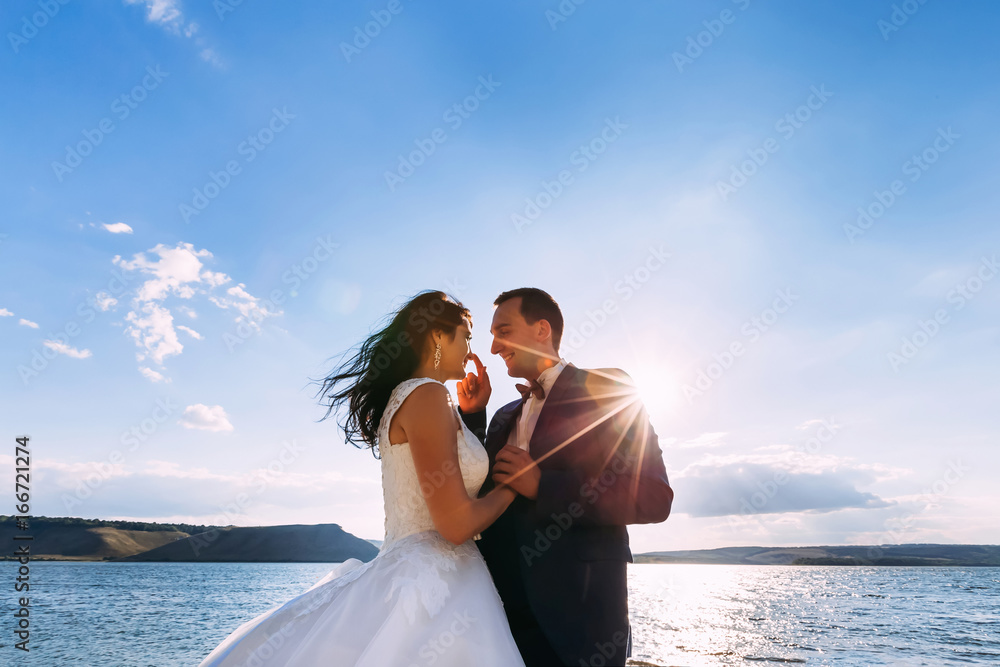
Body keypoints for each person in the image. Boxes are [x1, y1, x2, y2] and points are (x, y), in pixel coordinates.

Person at [198, 291, 525, 666]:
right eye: (466, 335)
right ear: (437, 335)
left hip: (426, 572)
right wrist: (512, 486)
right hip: (437, 584)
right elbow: (454, 525)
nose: (471, 349)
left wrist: (472, 414)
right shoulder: (428, 396)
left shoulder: (422, 398)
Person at [457, 287, 674, 667]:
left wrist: (544, 486)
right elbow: (479, 493)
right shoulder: (503, 416)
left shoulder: (609, 390)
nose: (493, 348)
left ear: (542, 329)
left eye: (503, 331)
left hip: (581, 626)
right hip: (501, 621)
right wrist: (474, 415)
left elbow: (654, 496)